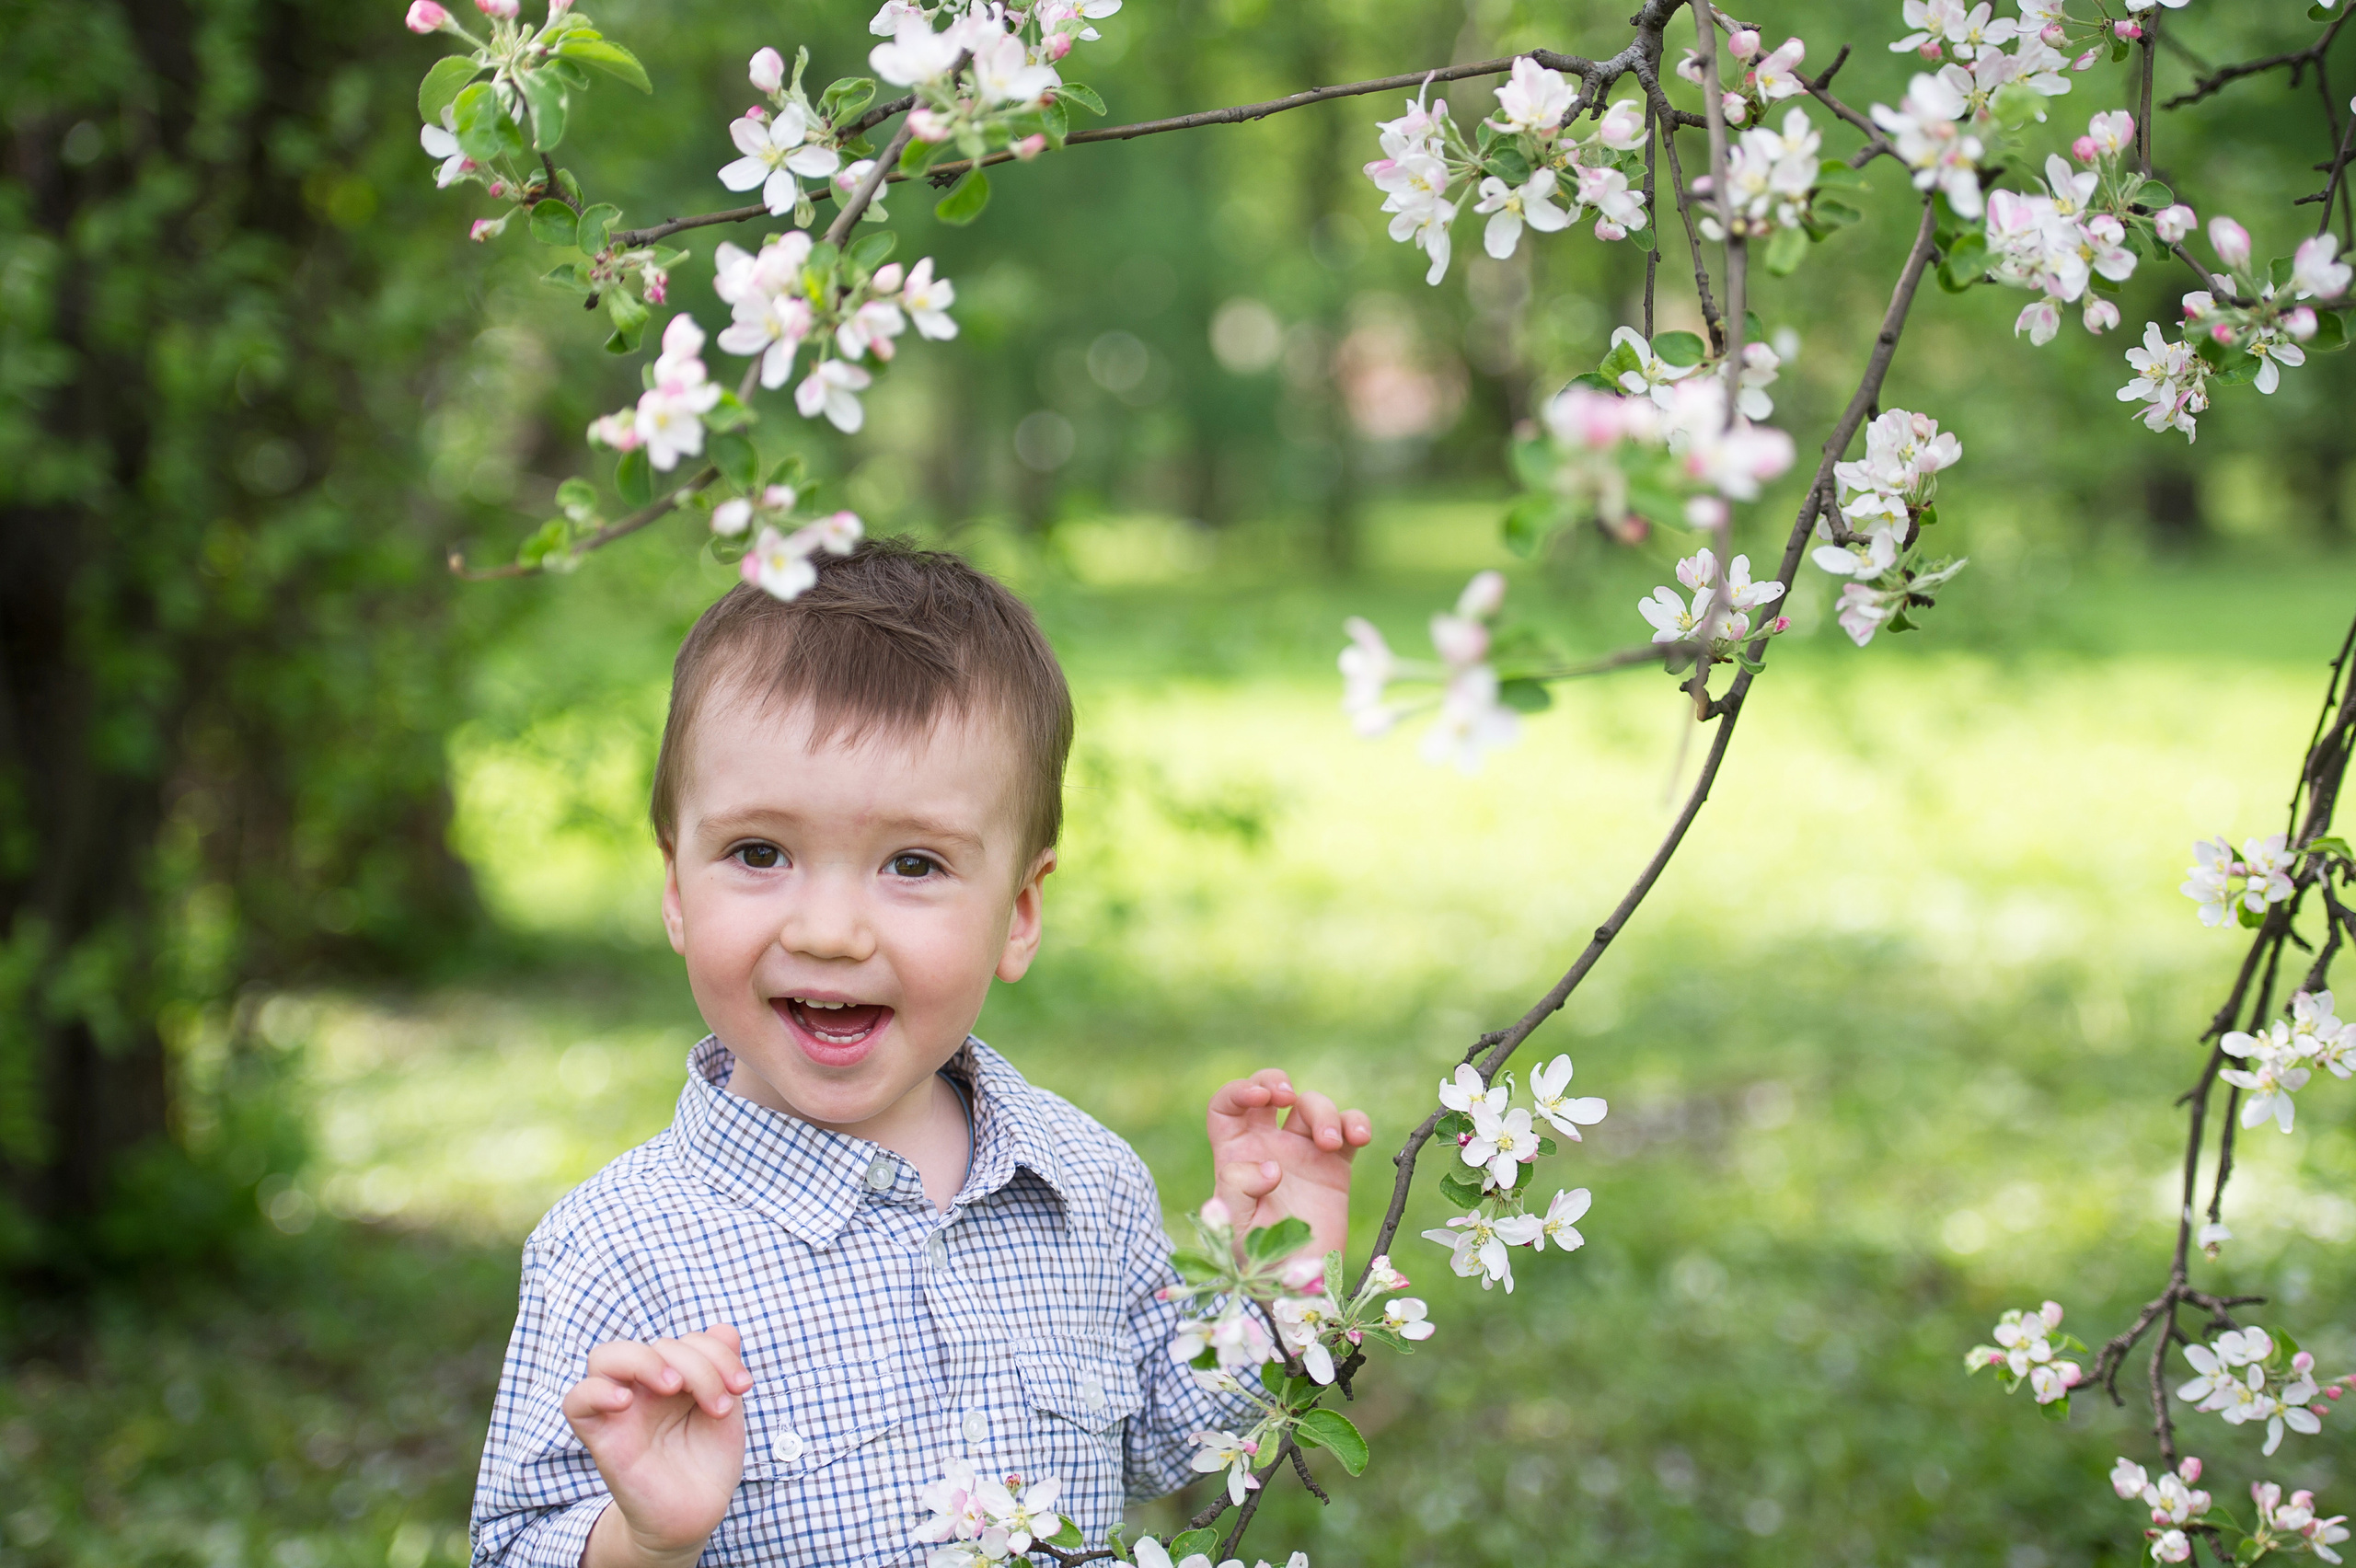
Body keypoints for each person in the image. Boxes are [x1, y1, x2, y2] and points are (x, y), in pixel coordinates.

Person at [469, 538, 1374, 1568]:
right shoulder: (613, 1248)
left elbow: (1178, 1437)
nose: (830, 931)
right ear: (677, 886)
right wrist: (646, 1539)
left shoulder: (1086, 1184)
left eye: (913, 864)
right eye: (759, 853)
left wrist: (1274, 1284)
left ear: (1020, 911)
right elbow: (511, 1545)